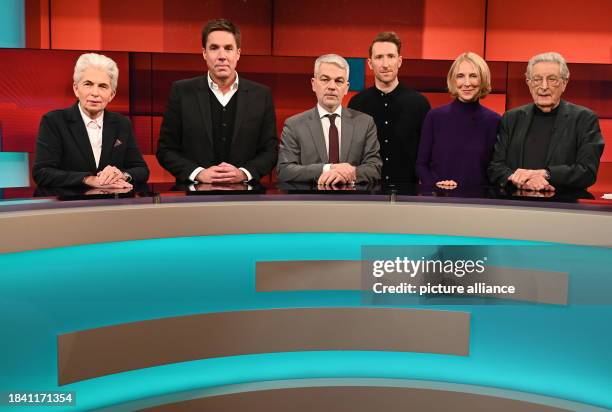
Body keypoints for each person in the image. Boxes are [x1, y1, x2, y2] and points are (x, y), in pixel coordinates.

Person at [156, 18, 277, 183]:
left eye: (228, 48)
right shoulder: (182, 92)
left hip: (247, 198)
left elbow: (270, 152)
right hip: (194, 199)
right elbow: (166, 150)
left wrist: (244, 173)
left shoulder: (261, 95)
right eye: (214, 48)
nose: (222, 56)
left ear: (238, 53)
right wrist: (198, 173)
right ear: (204, 53)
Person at [488, 52, 604, 191]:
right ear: (528, 83)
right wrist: (521, 180)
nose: (544, 86)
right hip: (516, 205)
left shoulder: (584, 119)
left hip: (564, 208)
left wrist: (545, 174)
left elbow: (587, 171)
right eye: (537, 79)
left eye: (552, 79)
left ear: (564, 83)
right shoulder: (511, 118)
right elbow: (495, 167)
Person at [32, 53, 149, 188]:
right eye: (88, 84)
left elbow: (141, 170)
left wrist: (122, 175)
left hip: (112, 205)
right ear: (76, 88)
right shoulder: (54, 121)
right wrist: (88, 179)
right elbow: (42, 172)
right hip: (71, 204)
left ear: (112, 94)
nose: (95, 93)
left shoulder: (122, 123)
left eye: (103, 86)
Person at [277, 54, 381, 185]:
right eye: (325, 79)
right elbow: (285, 170)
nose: (332, 86)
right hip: (311, 201)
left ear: (346, 88)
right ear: (314, 84)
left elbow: (375, 168)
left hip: (352, 202)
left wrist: (350, 172)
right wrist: (328, 169)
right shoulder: (294, 125)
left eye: (339, 81)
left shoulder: (365, 123)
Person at [348, 31, 430, 184]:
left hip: (407, 193)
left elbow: (426, 155)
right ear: (370, 63)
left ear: (399, 61)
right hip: (366, 191)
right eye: (379, 57)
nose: (385, 64)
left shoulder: (420, 104)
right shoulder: (356, 104)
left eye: (391, 56)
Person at [416, 52, 501, 189]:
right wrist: (435, 186)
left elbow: (496, 170)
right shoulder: (435, 117)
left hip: (480, 202)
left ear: (483, 79)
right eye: (460, 76)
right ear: (453, 80)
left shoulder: (495, 121)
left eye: (473, 76)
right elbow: (421, 165)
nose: (467, 83)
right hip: (440, 201)